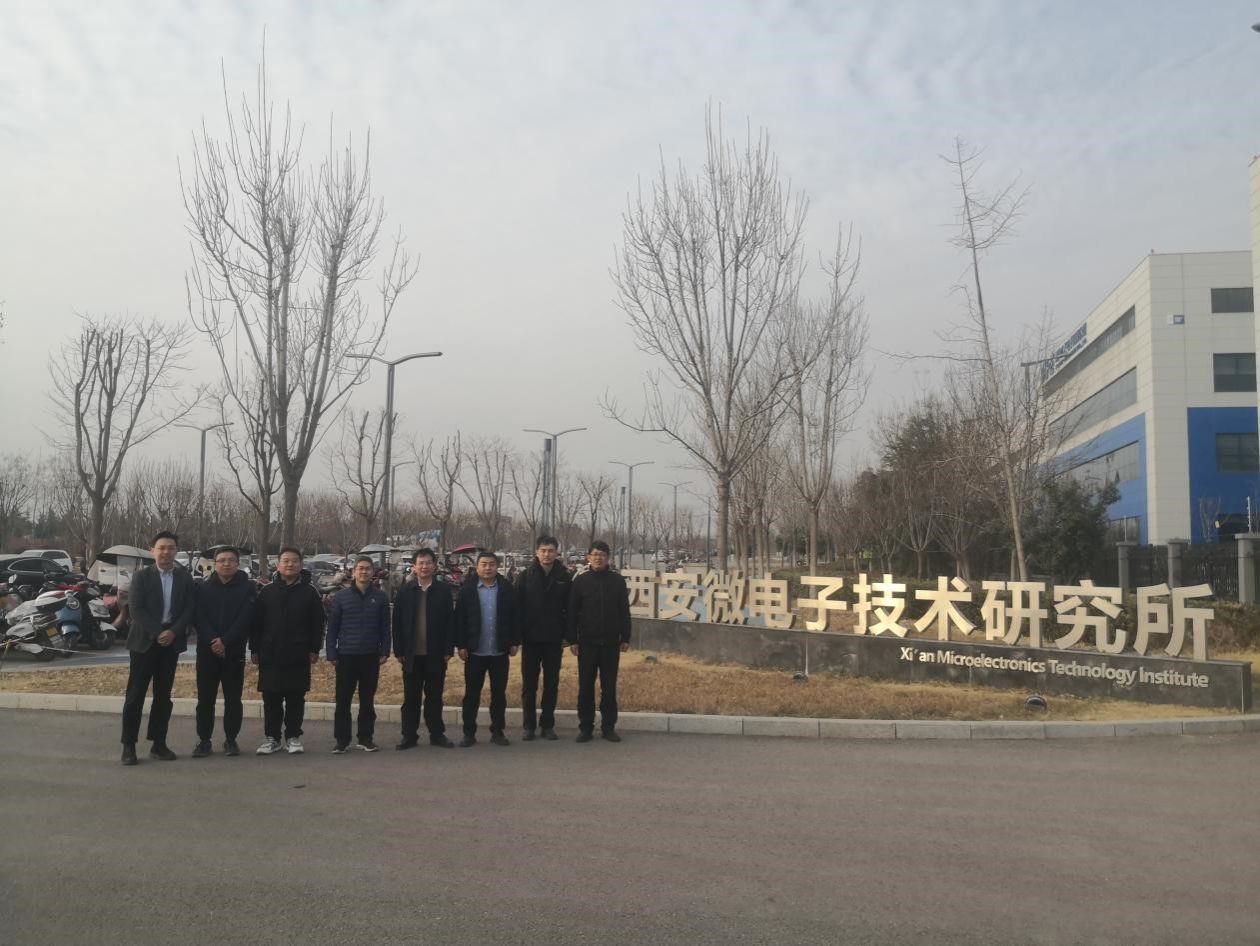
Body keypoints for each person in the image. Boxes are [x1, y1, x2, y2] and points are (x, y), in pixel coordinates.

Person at [120, 531, 195, 765]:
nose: (166, 552)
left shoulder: (185, 578)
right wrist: (158, 632)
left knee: (163, 697)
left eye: (171, 548)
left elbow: (189, 608)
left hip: (170, 644)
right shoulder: (141, 577)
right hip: (144, 642)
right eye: (161, 548)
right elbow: (136, 609)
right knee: (135, 696)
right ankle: (129, 746)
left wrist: (173, 632)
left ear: (176, 551)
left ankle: (158, 743)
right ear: (152, 550)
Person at [250, 547, 325, 755]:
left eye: (294, 561)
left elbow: (318, 623)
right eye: (286, 561)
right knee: (271, 698)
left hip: (298, 653)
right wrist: (254, 648)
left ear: (301, 565)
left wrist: (314, 648)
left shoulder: (310, 592)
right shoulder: (267, 592)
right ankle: (272, 738)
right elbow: (257, 623)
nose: (290, 564)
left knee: (295, 697)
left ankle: (293, 736)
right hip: (270, 653)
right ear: (278, 565)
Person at [191, 546, 256, 758]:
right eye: (221, 560)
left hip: (234, 651)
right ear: (214, 563)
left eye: (231, 560)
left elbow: (246, 618)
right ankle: (204, 740)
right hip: (207, 651)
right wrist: (213, 641)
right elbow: (198, 616)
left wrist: (225, 641)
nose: (226, 564)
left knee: (233, 698)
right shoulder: (202, 587)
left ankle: (231, 739)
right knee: (205, 699)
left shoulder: (248, 588)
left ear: (238, 563)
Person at [566, 540, 631, 743]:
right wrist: (572, 639)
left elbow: (624, 611)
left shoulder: (617, 581)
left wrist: (625, 637)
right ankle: (585, 727)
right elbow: (572, 613)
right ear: (588, 557)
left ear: (608, 558)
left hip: (611, 644)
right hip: (587, 643)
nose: (598, 558)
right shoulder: (580, 581)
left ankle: (608, 727)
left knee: (609, 687)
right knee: (585, 686)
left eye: (602, 554)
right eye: (594, 554)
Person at [392, 548, 456, 750]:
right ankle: (409, 735)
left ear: (434, 566)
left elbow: (450, 622)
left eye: (428, 563)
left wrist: (448, 649)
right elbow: (397, 623)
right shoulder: (405, 591)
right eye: (421, 563)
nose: (424, 566)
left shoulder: (443, 591)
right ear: (414, 566)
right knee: (411, 698)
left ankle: (437, 734)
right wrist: (399, 650)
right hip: (411, 655)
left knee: (434, 697)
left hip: (435, 654)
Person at [454, 551, 519, 747]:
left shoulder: (507, 589)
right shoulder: (467, 590)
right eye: (484, 564)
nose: (488, 568)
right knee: (471, 694)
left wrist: (514, 642)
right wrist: (461, 645)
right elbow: (459, 619)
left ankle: (497, 731)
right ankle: (469, 733)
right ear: (477, 567)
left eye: (491, 564)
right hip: (475, 652)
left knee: (499, 695)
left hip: (499, 651)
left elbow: (515, 617)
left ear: (497, 566)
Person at [326, 555, 391, 753]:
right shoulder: (341, 597)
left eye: (368, 568)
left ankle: (365, 738)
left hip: (370, 655)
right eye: (360, 568)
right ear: (353, 572)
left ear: (373, 573)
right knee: (343, 700)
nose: (364, 571)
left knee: (367, 700)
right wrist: (331, 652)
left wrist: (385, 650)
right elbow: (332, 628)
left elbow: (385, 628)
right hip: (346, 655)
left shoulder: (380, 597)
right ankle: (342, 740)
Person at [515, 534, 571, 741]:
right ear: (537, 552)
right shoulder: (525, 576)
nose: (547, 554)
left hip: (554, 639)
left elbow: (570, 609)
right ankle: (528, 725)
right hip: (530, 639)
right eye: (543, 550)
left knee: (551, 683)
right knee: (529, 684)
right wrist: (517, 637)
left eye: (551, 551)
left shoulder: (564, 576)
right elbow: (516, 607)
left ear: (557, 553)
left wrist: (568, 636)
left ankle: (547, 725)